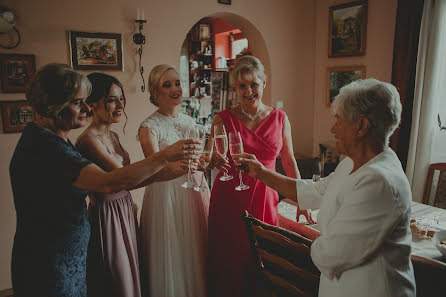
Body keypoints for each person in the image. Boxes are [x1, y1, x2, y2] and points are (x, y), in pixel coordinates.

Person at [9, 63, 200, 297]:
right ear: (54, 105)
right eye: (77, 102)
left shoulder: (54, 140)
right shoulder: (49, 149)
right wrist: (164, 157)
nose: (86, 107)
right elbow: (110, 182)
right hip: (50, 261)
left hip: (65, 256)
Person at [236, 78, 416, 297]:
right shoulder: (352, 162)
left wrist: (284, 240)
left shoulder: (378, 181)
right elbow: (314, 191)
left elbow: (333, 254)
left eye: (338, 120)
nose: (333, 129)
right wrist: (261, 173)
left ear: (361, 126)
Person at [207, 55, 306, 297]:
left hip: (264, 195)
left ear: (264, 83)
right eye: (242, 86)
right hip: (229, 197)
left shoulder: (280, 118)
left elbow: (288, 160)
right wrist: (212, 160)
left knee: (263, 255)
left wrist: (302, 198)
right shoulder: (223, 118)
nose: (249, 91)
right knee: (230, 257)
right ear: (235, 88)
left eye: (254, 84)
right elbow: (209, 156)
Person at [137, 64, 210, 297]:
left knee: (195, 247)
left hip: (194, 191)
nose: (175, 88)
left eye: (177, 83)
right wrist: (191, 164)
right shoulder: (149, 127)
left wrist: (207, 162)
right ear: (155, 93)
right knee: (172, 250)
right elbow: (154, 170)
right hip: (166, 195)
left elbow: (198, 161)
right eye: (166, 85)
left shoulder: (190, 122)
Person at [75, 73, 140, 297]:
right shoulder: (89, 141)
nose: (121, 105)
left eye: (121, 98)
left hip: (125, 209)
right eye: (112, 99)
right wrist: (165, 160)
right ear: (92, 104)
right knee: (116, 279)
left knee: (130, 272)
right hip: (107, 214)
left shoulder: (113, 135)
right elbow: (123, 176)